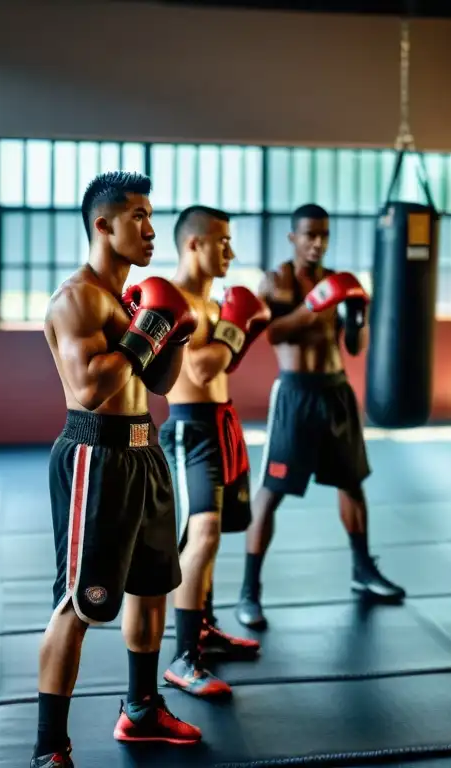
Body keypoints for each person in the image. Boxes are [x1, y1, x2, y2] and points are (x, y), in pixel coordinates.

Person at [33, 171, 202, 768]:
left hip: (144, 451)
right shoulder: (77, 298)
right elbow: (90, 386)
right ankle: (50, 746)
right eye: (138, 217)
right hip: (95, 454)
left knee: (153, 587)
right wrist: (149, 327)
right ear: (103, 225)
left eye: (153, 215)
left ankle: (141, 708)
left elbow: (156, 385)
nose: (152, 229)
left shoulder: (129, 301)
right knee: (79, 604)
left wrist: (173, 334)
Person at [236, 203, 404, 631]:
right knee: (272, 491)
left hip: (336, 392)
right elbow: (272, 333)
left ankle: (363, 570)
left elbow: (354, 347)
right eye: (309, 234)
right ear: (293, 237)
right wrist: (315, 305)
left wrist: (357, 314)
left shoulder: (337, 282)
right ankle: (249, 591)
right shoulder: (276, 281)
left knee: (352, 483)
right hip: (296, 393)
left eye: (324, 235)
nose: (317, 242)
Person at [158, 205, 270, 699]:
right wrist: (236, 326)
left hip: (221, 422)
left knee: (214, 537)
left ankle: (202, 626)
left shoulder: (212, 304)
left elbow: (222, 366)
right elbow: (198, 372)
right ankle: (183, 658)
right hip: (189, 431)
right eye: (222, 241)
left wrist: (233, 328)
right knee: (199, 534)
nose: (231, 251)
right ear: (194, 244)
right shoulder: (171, 300)